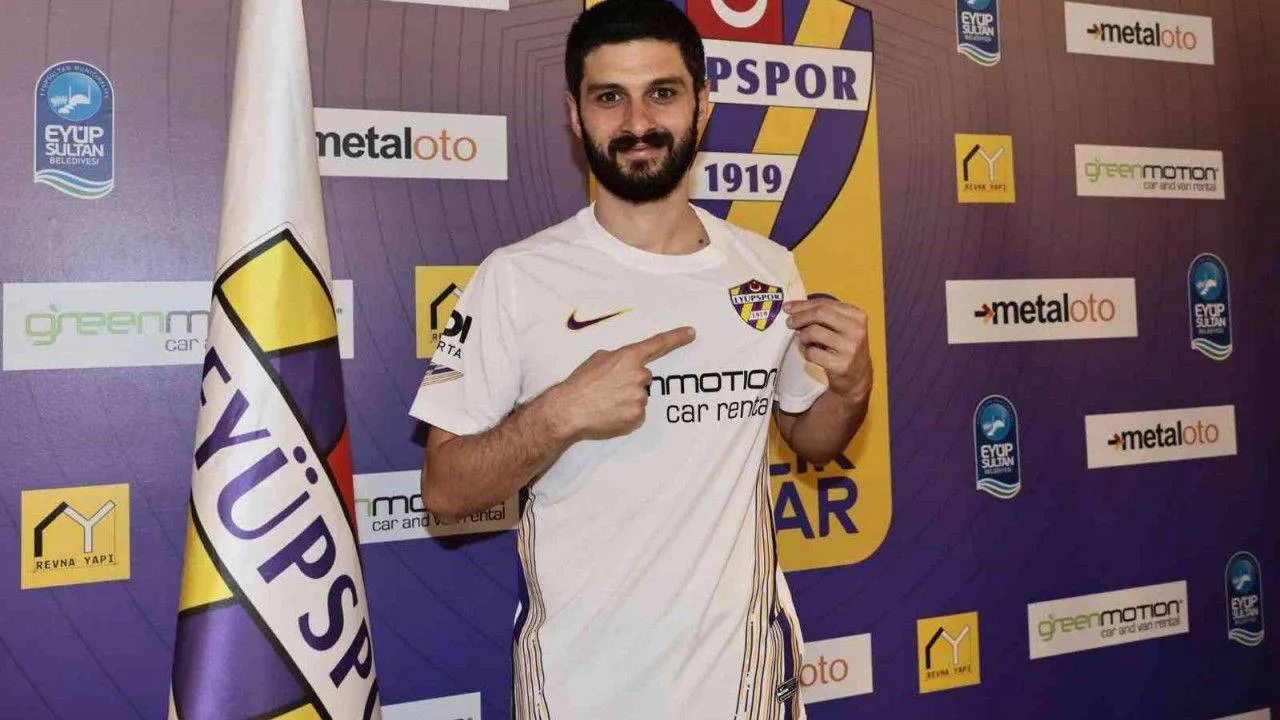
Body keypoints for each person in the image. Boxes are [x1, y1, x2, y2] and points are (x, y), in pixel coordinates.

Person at [409, 0, 872, 716]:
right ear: (575, 115)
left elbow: (810, 438)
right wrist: (558, 415)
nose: (637, 122)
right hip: (579, 687)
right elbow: (445, 492)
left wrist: (851, 389)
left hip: (744, 682)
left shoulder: (768, 268)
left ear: (702, 105)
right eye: (608, 98)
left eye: (662, 92)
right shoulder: (516, 277)